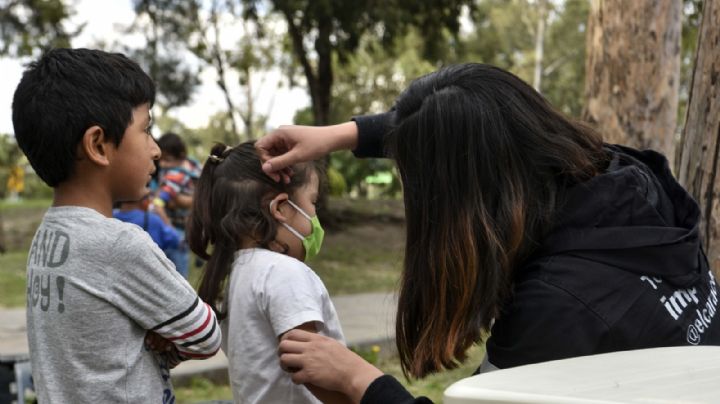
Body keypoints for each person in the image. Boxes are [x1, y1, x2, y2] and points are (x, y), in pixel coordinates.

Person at [256, 63, 720, 403]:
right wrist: (344, 134)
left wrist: (360, 380)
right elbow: (475, 129)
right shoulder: (628, 176)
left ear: (456, 204)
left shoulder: (556, 306)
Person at [12, 48, 222, 403]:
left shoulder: (48, 236)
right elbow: (205, 334)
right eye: (146, 130)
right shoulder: (119, 244)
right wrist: (161, 342)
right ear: (98, 145)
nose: (156, 150)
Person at [186, 142, 348, 403]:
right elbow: (311, 366)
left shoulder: (235, 273)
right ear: (280, 208)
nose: (315, 217)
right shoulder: (284, 272)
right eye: (313, 202)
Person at [156, 132, 202, 278]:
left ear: (181, 156)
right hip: (178, 230)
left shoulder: (176, 174)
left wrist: (169, 229)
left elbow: (157, 203)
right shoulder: (188, 166)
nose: (163, 164)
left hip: (179, 231)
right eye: (161, 160)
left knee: (176, 277)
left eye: (167, 160)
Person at [113, 194, 180, 254]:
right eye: (148, 198)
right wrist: (163, 217)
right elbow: (175, 240)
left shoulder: (110, 215)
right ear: (143, 201)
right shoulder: (152, 219)